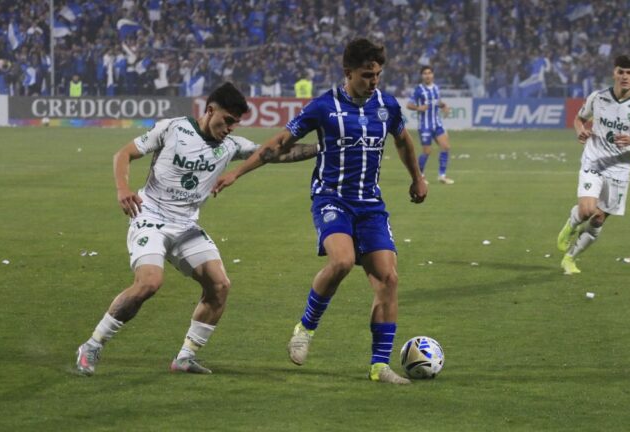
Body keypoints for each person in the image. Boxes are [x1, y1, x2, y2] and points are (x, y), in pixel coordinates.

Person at [213, 38, 428, 384]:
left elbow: (403, 141)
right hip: (331, 200)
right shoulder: (323, 107)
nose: (373, 81)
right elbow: (277, 145)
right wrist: (236, 172)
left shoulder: (388, 106)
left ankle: (379, 366)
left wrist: (418, 178)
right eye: (366, 75)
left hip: (370, 205)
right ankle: (305, 327)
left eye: (377, 75)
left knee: (388, 279)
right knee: (341, 261)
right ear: (348, 73)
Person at [75, 82, 317, 376]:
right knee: (149, 282)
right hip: (150, 216)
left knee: (219, 286)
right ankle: (92, 345)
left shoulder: (231, 146)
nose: (230, 128)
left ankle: (185, 357)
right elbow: (123, 153)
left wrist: (321, 147)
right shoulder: (173, 129)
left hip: (186, 225)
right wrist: (123, 188)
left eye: (235, 124)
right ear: (210, 109)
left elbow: (275, 153)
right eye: (227, 120)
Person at [556, 55, 630, 275]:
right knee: (587, 210)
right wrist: (581, 131)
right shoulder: (598, 98)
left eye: (629, 73)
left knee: (599, 218)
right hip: (594, 159)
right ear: (614, 73)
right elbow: (579, 119)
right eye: (621, 72)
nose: (625, 77)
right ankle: (571, 225)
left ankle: (570, 258)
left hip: (619, 168)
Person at [406, 65, 454, 185]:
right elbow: (408, 105)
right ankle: (419, 176)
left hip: (437, 124)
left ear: (433, 75)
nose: (427, 75)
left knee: (446, 147)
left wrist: (444, 106)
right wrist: (418, 108)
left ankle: (442, 176)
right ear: (422, 76)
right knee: (427, 152)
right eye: (425, 73)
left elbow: (437, 102)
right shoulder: (419, 90)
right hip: (425, 125)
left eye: (429, 73)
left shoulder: (436, 88)